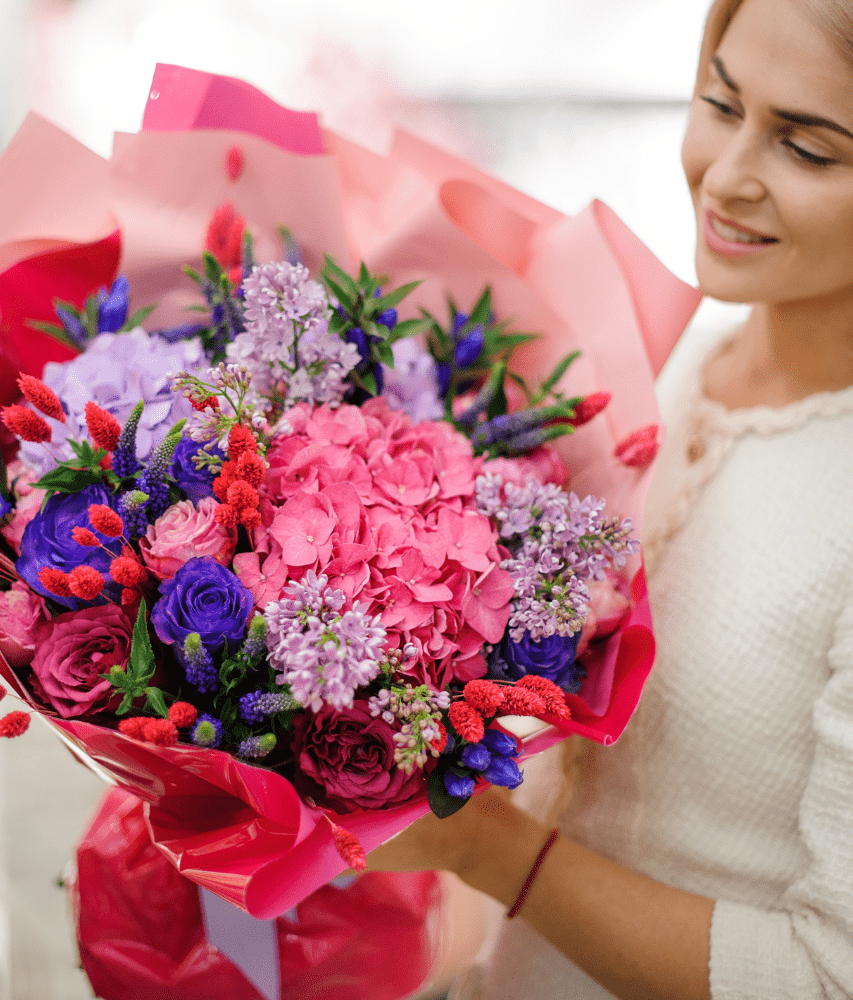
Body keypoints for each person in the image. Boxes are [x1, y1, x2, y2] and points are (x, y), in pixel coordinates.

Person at [367, 0, 853, 997]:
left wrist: (485, 849)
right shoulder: (673, 371)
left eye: (806, 147)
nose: (724, 176)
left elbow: (825, 976)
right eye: (720, 103)